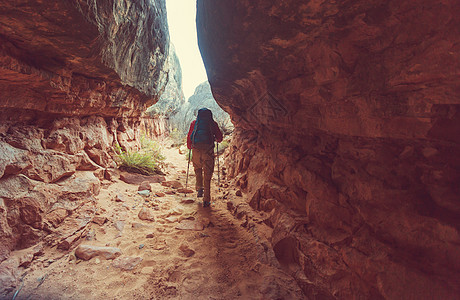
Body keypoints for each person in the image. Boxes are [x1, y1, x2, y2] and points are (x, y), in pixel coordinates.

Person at [187, 108, 223, 207]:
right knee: (207, 175)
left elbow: (189, 137)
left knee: (198, 170)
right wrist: (215, 138)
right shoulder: (213, 124)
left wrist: (190, 147)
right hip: (208, 152)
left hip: (196, 151)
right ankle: (206, 200)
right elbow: (220, 138)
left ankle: (199, 189)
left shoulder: (194, 123)